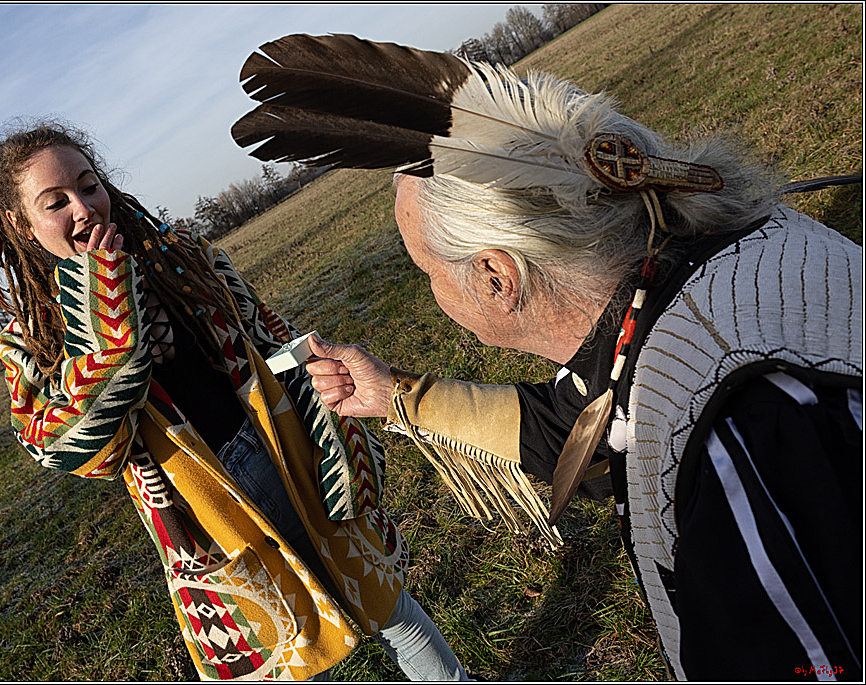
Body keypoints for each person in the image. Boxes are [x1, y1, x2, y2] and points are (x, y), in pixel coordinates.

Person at [231, 34, 863, 681]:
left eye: (426, 269)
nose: (429, 287)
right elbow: (585, 423)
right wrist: (395, 394)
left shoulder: (738, 440)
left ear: (496, 277)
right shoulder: (733, 259)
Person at [0, 120, 469, 681]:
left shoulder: (181, 257)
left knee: (386, 606)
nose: (84, 209)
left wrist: (319, 382)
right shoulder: (30, 343)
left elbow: (265, 332)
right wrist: (108, 307)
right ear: (20, 224)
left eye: (89, 186)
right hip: (204, 508)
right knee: (294, 662)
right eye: (55, 202)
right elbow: (73, 450)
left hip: (283, 450)